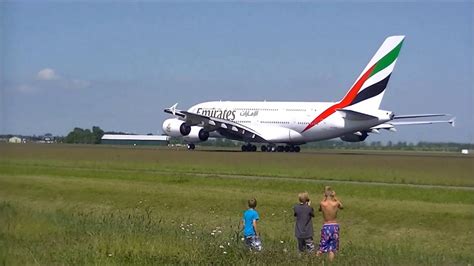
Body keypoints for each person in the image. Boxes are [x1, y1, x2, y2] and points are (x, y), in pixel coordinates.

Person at [317, 186, 343, 261]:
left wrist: (325, 197)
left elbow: (320, 209)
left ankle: (314, 260)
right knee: (332, 248)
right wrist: (335, 197)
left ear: (324, 194)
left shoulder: (322, 204)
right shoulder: (336, 203)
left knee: (322, 246)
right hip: (334, 226)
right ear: (332, 194)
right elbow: (341, 207)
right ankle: (331, 263)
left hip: (326, 226)